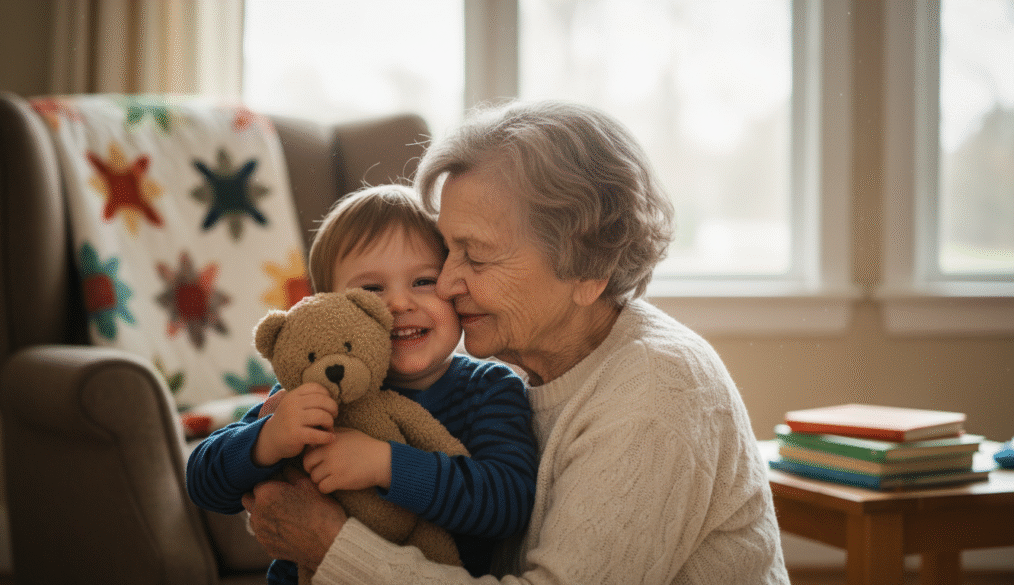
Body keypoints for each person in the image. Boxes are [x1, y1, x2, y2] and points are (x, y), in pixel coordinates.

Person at [242, 100, 790, 584]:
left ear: (588, 270)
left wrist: (331, 548)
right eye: (448, 251)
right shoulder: (514, 363)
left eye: (476, 256)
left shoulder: (655, 393)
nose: (447, 284)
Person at [187, 185, 538, 583]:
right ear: (329, 307)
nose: (399, 304)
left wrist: (384, 464)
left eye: (424, 281)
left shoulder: (490, 388)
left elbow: (509, 503)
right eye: (371, 289)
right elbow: (203, 484)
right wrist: (268, 439)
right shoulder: (309, 392)